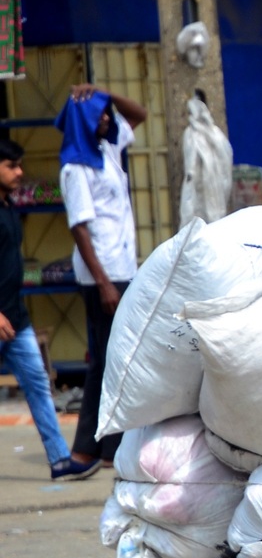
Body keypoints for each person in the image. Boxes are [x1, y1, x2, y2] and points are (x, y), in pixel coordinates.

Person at [56, 83, 146, 478]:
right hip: (101, 275)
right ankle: (88, 449)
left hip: (124, 267)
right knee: (105, 360)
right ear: (83, 120)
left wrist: (105, 92)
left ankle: (104, 448)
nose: (107, 119)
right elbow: (79, 227)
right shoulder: (75, 167)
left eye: (107, 112)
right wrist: (105, 282)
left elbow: (139, 114)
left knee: (117, 358)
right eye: (99, 114)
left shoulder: (108, 150)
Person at [0, 139, 84, 479]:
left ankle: (60, 460)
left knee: (37, 383)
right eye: (11, 166)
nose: (20, 173)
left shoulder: (8, 207)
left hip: (16, 320)